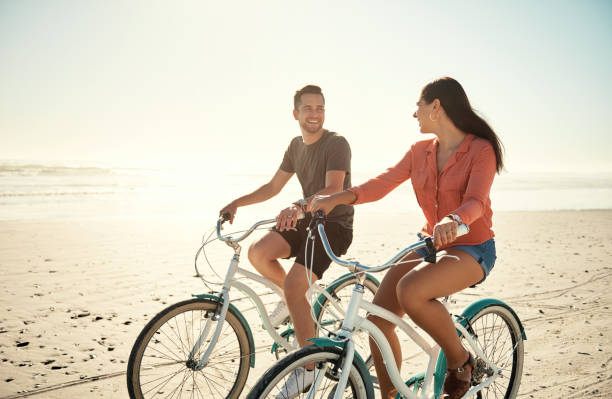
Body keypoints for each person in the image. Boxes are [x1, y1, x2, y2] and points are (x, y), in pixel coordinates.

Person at [311, 77, 503, 399]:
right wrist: (338, 198)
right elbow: (382, 183)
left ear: (436, 107)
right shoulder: (419, 152)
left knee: (410, 290)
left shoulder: (480, 150)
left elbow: (476, 201)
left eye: (419, 106)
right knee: (378, 320)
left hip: (472, 246)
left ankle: (461, 362)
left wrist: (453, 220)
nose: (415, 114)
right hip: (429, 243)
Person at [220, 84, 354, 397]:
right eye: (308, 108)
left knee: (296, 286)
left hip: (333, 226)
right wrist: (237, 202)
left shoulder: (337, 144)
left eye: (319, 108)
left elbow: (332, 190)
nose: (314, 114)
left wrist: (299, 206)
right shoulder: (296, 146)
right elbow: (272, 187)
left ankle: (307, 371)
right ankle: (294, 302)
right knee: (258, 252)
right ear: (295, 113)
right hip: (307, 219)